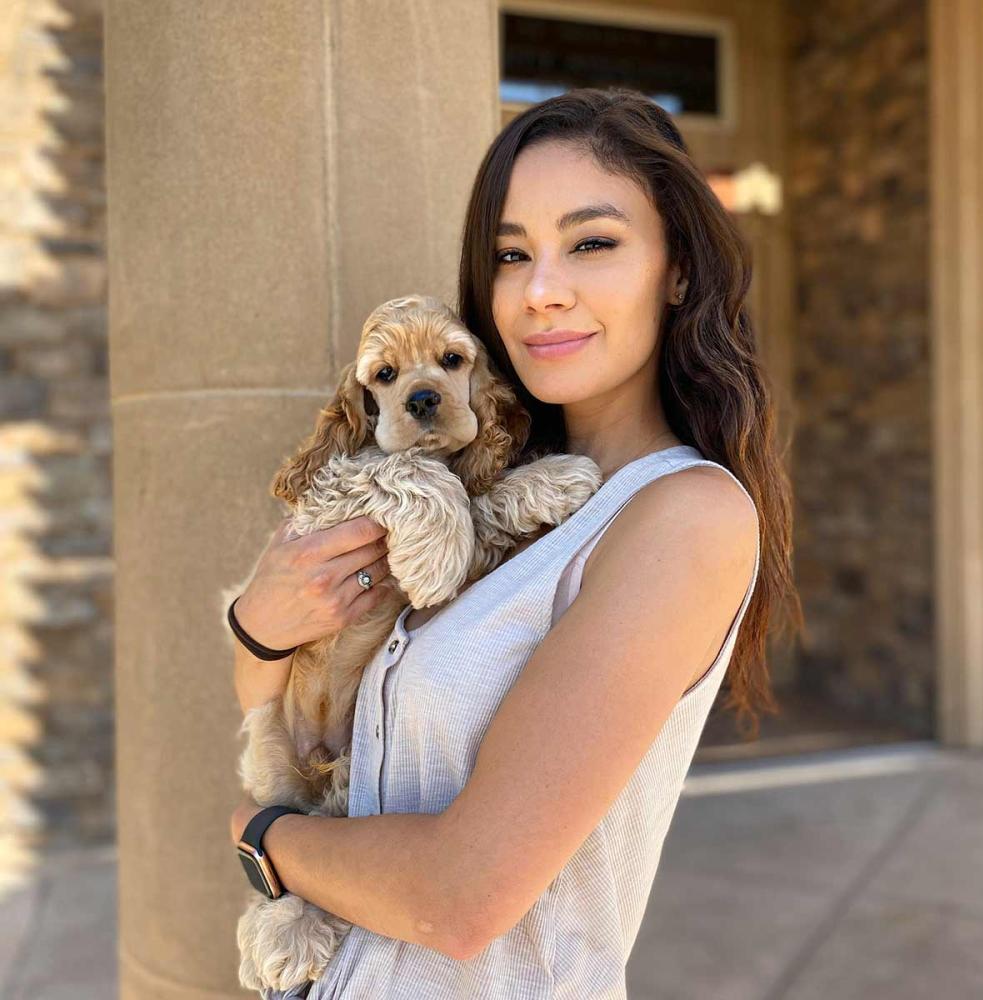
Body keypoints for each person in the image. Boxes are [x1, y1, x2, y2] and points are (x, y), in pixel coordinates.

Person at [229, 86, 803, 999]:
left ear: (679, 269)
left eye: (592, 243)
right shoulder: (487, 487)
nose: (541, 290)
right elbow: (291, 704)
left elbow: (462, 897)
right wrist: (261, 627)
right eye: (510, 254)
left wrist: (264, 841)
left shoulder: (681, 516)